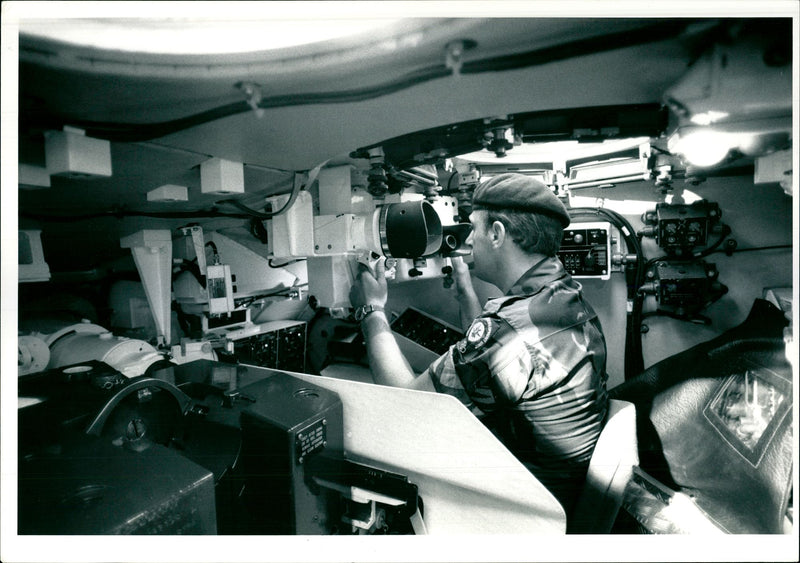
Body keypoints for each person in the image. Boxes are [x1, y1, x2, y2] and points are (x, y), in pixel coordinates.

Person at [349, 172, 608, 515]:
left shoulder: (509, 330)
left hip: (519, 513)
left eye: (474, 227)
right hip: (557, 494)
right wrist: (466, 294)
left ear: (497, 234)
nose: (470, 238)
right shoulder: (569, 299)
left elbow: (406, 404)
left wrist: (371, 310)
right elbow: (499, 368)